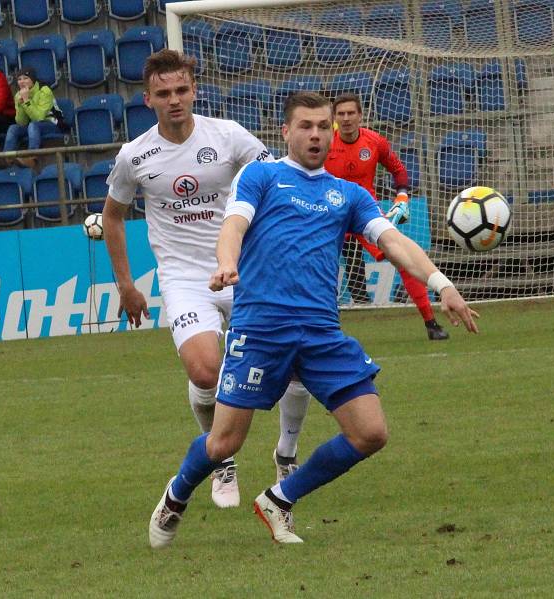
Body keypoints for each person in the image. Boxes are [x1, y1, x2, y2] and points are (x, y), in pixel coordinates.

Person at [148, 92, 479, 549]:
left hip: (321, 332)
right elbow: (234, 227)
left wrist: (442, 284)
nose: (317, 134)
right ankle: (177, 494)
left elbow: (395, 242)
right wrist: (226, 262)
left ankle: (279, 499)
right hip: (262, 329)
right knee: (224, 444)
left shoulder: (349, 194)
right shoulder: (261, 176)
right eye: (306, 126)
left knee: (371, 432)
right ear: (286, 132)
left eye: (323, 126)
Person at [103, 50, 311, 510]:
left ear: (194, 90)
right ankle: (222, 457)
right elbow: (113, 218)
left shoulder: (229, 135)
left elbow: (275, 179)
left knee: (297, 362)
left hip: (243, 268)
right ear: (148, 98)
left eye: (181, 90)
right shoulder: (134, 156)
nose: (174, 100)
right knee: (204, 370)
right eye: (163, 93)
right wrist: (126, 285)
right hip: (184, 277)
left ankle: (286, 453)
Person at [325, 93, 449, 341]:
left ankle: (431, 322)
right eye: (341, 114)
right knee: (316, 267)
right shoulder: (325, 143)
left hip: (364, 213)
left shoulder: (374, 142)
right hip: (330, 213)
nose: (347, 118)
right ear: (335, 119)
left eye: (351, 113)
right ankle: (322, 330)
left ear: (360, 115)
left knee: (401, 258)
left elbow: (398, 169)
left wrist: (401, 196)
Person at [3, 67, 68, 169]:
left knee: (33, 125)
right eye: (19, 79)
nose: (22, 82)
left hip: (52, 124)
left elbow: (39, 117)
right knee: (13, 128)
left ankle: (32, 158)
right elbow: (21, 122)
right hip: (32, 126)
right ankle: (7, 158)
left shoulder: (44, 90)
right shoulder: (18, 95)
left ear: (32, 79)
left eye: (25, 78)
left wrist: (26, 100)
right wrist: (21, 104)